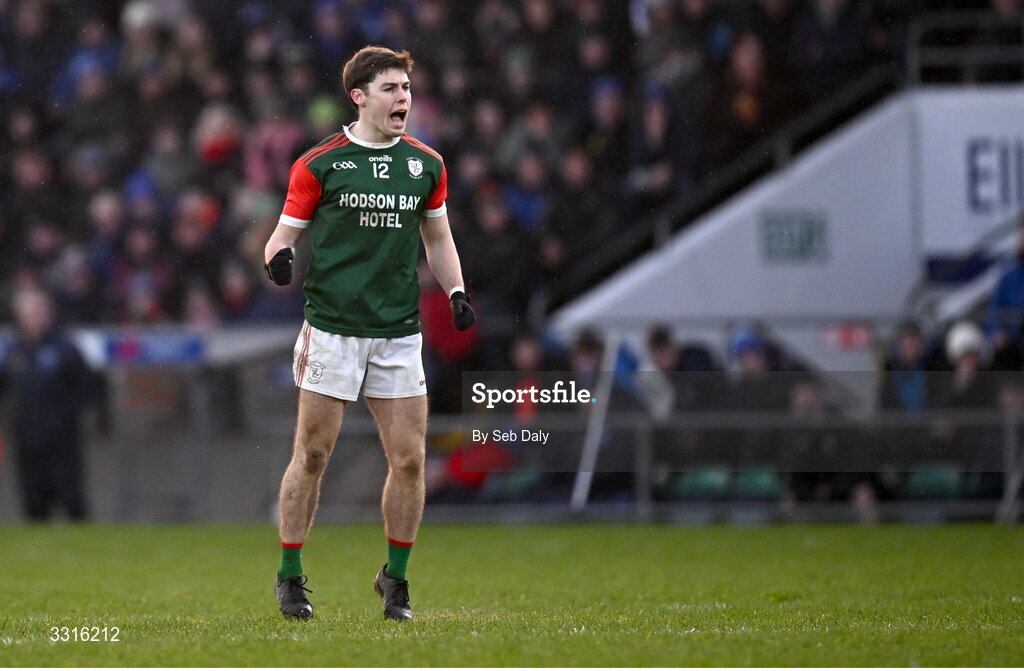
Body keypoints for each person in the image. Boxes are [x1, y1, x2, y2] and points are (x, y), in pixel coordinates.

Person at [262, 46, 475, 623]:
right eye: (390, 88)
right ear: (359, 97)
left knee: (409, 461)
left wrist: (455, 291)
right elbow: (281, 236)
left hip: (397, 334)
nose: (402, 97)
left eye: (406, 88)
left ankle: (396, 582)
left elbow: (438, 239)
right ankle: (289, 575)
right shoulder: (319, 163)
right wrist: (278, 261)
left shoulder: (426, 165)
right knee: (311, 454)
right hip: (332, 330)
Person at [1, 288, 92, 521]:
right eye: (29, 313)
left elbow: (85, 386)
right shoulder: (13, 350)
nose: (34, 318)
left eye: (39, 312)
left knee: (71, 499)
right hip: (27, 437)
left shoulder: (65, 348)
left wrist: (64, 415)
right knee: (33, 503)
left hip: (61, 438)